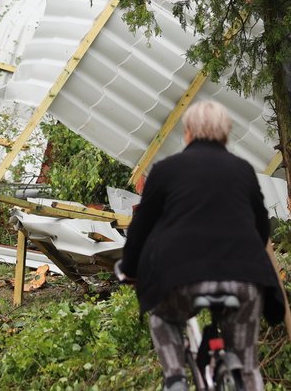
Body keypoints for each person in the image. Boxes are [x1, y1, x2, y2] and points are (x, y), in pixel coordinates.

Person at [117, 100, 281, 391]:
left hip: (180, 279)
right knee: (247, 363)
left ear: (188, 132)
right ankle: (243, 378)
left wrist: (129, 268)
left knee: (163, 318)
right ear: (225, 134)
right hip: (244, 280)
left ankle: (176, 379)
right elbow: (262, 227)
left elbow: (140, 229)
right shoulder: (243, 171)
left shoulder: (166, 170)